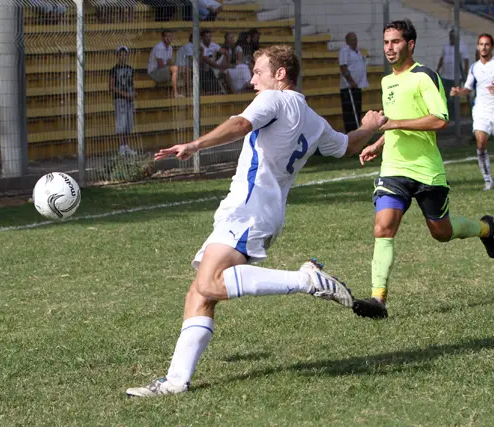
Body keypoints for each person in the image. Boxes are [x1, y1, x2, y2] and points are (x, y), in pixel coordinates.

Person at [125, 45, 388, 397]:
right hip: (261, 210)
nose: (252, 81)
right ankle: (175, 382)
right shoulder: (312, 117)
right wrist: (369, 126)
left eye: (258, 72)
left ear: (280, 75)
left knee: (211, 285)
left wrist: (196, 145)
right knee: (199, 293)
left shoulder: (276, 100)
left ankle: (305, 279)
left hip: (249, 208)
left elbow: (240, 124)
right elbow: (345, 146)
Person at [352, 20, 494, 320]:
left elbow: (440, 119)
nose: (389, 48)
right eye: (386, 42)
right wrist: (379, 143)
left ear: (410, 44)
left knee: (441, 233)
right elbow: (393, 120)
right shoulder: (386, 82)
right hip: (394, 168)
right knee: (383, 227)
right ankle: (378, 299)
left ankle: (485, 228)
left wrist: (392, 124)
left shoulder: (424, 76)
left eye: (395, 42)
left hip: (426, 171)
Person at [451, 33, 494, 191]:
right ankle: (488, 180)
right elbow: (468, 89)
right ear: (478, 46)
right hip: (481, 112)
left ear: (492, 47)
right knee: (481, 144)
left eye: (487, 44)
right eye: (481, 44)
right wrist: (458, 91)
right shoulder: (474, 67)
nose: (483, 47)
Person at [339, 32, 368, 132]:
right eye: (352, 39)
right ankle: (350, 133)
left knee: (357, 109)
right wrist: (351, 82)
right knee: (350, 112)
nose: (355, 42)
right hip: (348, 87)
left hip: (358, 86)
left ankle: (356, 130)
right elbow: (343, 67)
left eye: (355, 39)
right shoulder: (344, 51)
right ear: (347, 41)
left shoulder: (358, 51)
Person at [436, 29, 468, 120]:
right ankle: (446, 115)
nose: (451, 39)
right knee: (444, 96)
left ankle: (455, 117)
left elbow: (466, 60)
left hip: (456, 77)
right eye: (450, 37)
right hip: (445, 76)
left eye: (453, 37)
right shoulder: (446, 45)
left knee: (454, 97)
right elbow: (442, 57)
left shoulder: (462, 46)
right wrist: (438, 69)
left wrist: (465, 74)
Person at [109, 46, 135, 156]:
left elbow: (131, 83)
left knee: (128, 123)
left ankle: (126, 146)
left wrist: (133, 94)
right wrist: (124, 94)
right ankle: (121, 147)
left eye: (125, 54)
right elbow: (112, 86)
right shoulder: (114, 69)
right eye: (120, 54)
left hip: (129, 99)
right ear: (117, 56)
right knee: (121, 123)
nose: (123, 56)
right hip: (119, 99)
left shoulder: (130, 69)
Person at [147, 30, 181, 98]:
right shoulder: (159, 47)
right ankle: (175, 93)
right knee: (175, 69)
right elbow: (161, 65)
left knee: (183, 69)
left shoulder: (170, 48)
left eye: (170, 36)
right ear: (162, 38)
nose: (169, 38)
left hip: (162, 70)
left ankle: (187, 94)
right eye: (167, 36)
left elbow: (168, 63)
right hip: (154, 72)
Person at [199, 29, 221, 94]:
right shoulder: (200, 46)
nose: (208, 38)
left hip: (212, 64)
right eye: (206, 36)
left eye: (209, 36)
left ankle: (217, 90)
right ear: (202, 37)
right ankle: (209, 91)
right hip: (202, 66)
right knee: (204, 71)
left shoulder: (213, 44)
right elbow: (199, 60)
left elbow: (217, 54)